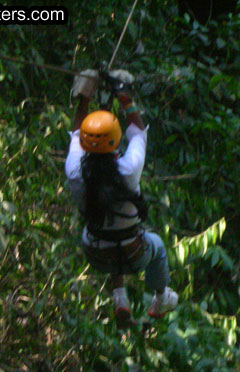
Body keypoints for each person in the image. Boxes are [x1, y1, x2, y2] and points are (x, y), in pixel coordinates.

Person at [65, 69, 178, 326]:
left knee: (110, 230)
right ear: (116, 140)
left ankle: (120, 296)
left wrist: (85, 98)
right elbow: (138, 130)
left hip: (95, 252)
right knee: (155, 244)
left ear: (85, 141)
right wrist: (124, 97)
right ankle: (162, 297)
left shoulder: (75, 172)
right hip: (134, 253)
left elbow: (74, 135)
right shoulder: (128, 170)